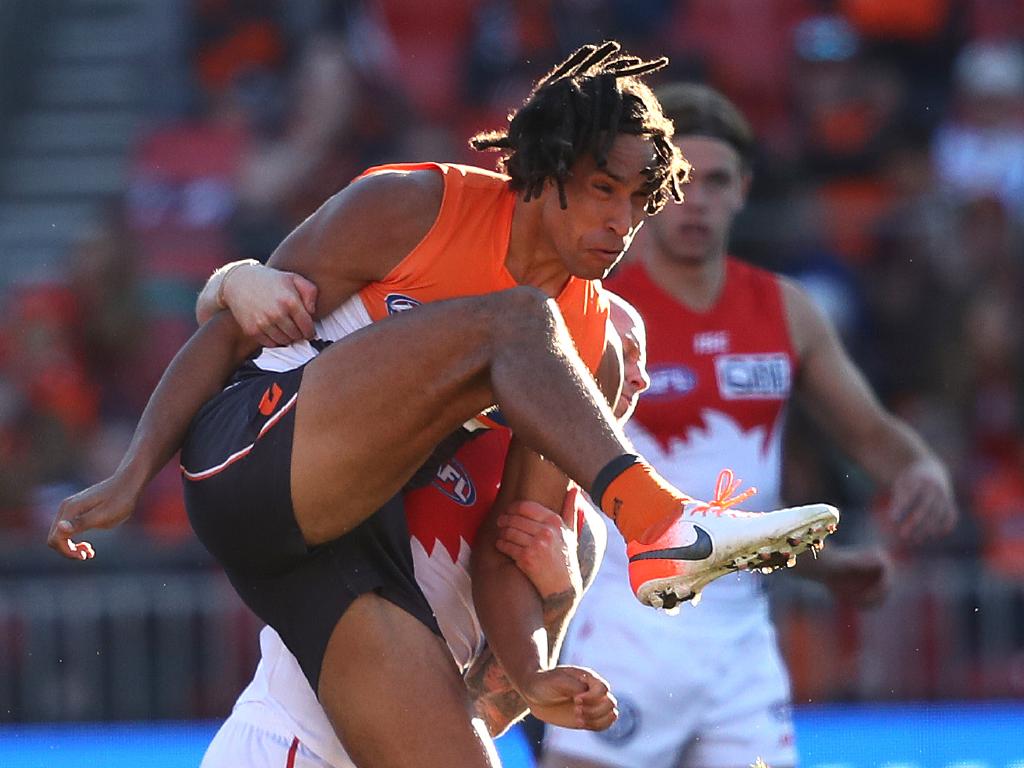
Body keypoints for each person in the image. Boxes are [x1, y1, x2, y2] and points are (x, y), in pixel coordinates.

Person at [48, 44, 837, 768]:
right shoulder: (415, 206)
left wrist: (533, 673)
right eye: (602, 192)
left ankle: (659, 531)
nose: (621, 226)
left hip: (345, 552)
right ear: (548, 166)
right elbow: (232, 327)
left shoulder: (578, 355)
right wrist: (131, 473)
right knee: (520, 319)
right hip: (253, 458)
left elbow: (507, 548)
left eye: (639, 202)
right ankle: (663, 526)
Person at [541, 83, 958, 768]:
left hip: (741, 642)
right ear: (648, 190)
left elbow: (872, 435)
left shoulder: (785, 310)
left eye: (717, 182)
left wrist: (919, 469)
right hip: (622, 621)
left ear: (744, 190)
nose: (696, 200)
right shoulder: (596, 310)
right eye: (679, 182)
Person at [199, 290, 651, 768]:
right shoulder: (439, 417)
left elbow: (490, 712)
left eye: (645, 360)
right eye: (622, 352)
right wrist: (237, 280)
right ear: (561, 347)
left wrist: (558, 595)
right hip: (295, 741)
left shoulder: (581, 530)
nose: (639, 377)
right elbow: (246, 323)